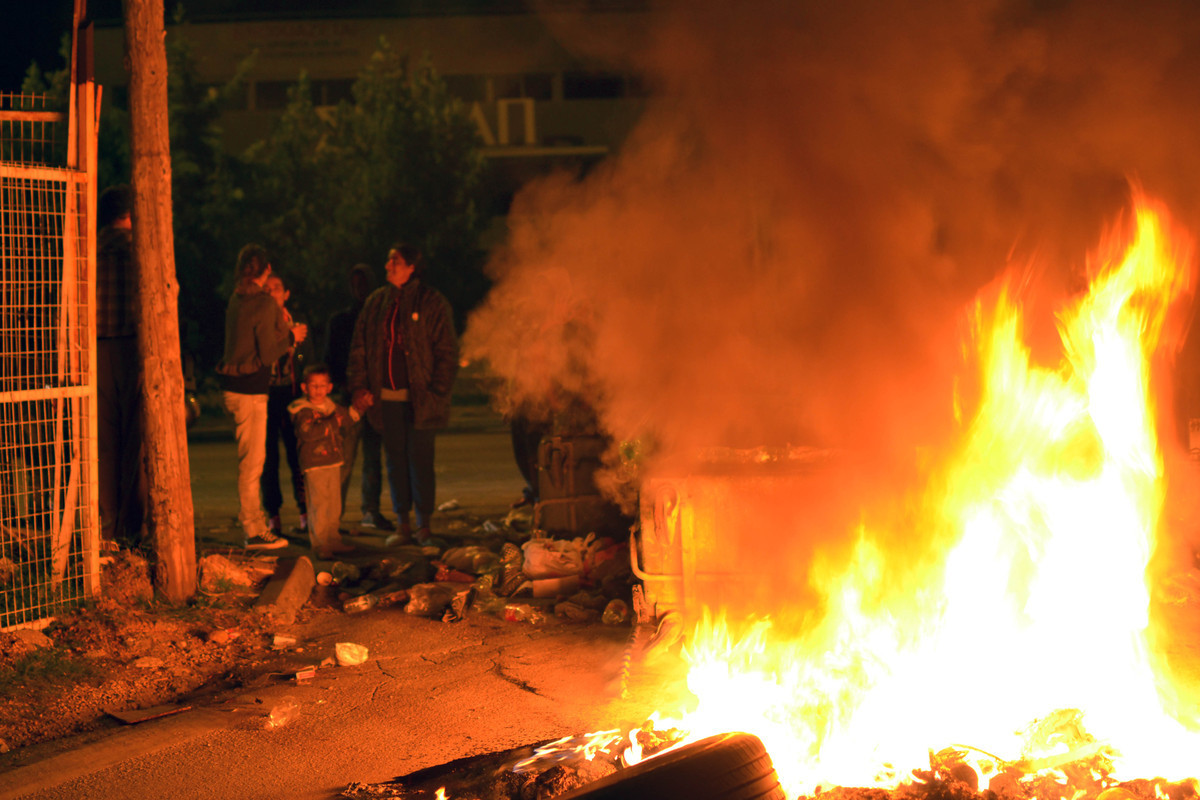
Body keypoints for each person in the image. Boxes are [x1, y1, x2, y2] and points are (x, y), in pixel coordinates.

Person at [347, 244, 459, 544]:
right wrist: (359, 387)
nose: (388, 265)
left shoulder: (432, 302)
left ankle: (424, 525)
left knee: (420, 460)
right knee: (394, 460)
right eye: (388, 259)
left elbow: (446, 351)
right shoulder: (376, 303)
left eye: (395, 260)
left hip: (421, 401)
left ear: (411, 267)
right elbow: (359, 348)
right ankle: (403, 524)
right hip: (385, 400)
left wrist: (437, 391)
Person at [215, 244, 307, 550]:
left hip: (232, 387)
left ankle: (255, 525)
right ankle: (253, 530)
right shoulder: (265, 303)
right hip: (250, 390)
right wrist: (292, 336)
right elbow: (268, 353)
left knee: (251, 461)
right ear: (266, 270)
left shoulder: (236, 299)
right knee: (252, 464)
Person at [95, 184, 145, 547]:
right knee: (135, 443)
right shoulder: (141, 252)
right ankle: (131, 528)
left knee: (103, 444)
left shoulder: (87, 250)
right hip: (133, 350)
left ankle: (104, 526)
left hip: (95, 353)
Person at [324, 263, 390, 530]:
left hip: (373, 398)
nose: (360, 288)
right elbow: (332, 358)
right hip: (348, 397)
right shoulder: (341, 322)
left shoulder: (380, 319)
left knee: (373, 458)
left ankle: (370, 510)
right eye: (356, 283)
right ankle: (333, 516)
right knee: (343, 461)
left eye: (363, 283)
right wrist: (346, 388)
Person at [289, 364, 358, 559]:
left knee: (333, 503)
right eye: (314, 385)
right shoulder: (302, 410)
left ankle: (333, 539)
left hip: (333, 461)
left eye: (323, 385)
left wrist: (360, 408)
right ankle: (320, 543)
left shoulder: (331, 406)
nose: (318, 390)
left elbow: (347, 419)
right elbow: (308, 432)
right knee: (318, 504)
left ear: (329, 387)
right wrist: (331, 422)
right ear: (305, 388)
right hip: (315, 463)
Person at [261, 274, 307, 536]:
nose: (271, 292)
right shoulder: (260, 323)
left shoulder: (296, 323)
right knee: (268, 457)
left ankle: (303, 510)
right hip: (266, 395)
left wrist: (296, 346)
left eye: (276, 288)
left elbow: (302, 357)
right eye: (267, 288)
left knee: (297, 454)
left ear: (286, 294)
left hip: (291, 395)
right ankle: (273, 514)